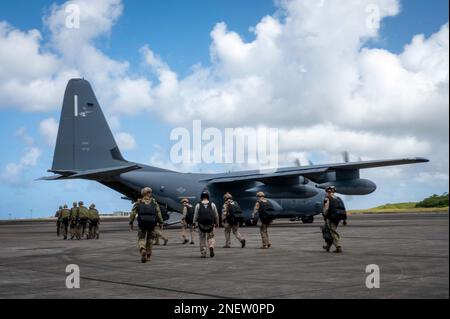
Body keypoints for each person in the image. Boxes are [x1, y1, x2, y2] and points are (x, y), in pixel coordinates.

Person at [129, 187, 163, 263]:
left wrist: (131, 222)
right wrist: (161, 223)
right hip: (152, 224)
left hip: (142, 224)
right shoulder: (154, 203)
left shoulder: (138, 202)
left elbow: (133, 213)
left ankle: (142, 249)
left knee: (141, 238)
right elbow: (158, 213)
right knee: (150, 240)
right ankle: (148, 255)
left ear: (142, 193)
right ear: (150, 193)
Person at [193, 191, 219, 258]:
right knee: (211, 237)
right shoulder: (212, 204)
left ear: (201, 197)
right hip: (210, 224)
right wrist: (217, 223)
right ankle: (211, 246)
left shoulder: (198, 205)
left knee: (202, 238)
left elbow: (195, 215)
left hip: (201, 225)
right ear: (208, 197)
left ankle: (203, 252)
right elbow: (216, 215)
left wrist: (194, 223)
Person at [322, 186, 347, 253]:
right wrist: (344, 219)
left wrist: (324, 215)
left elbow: (326, 209)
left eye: (329, 191)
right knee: (326, 230)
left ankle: (338, 247)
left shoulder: (327, 199)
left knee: (332, 232)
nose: (329, 193)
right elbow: (343, 208)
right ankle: (328, 246)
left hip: (331, 218)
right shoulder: (338, 198)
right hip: (338, 218)